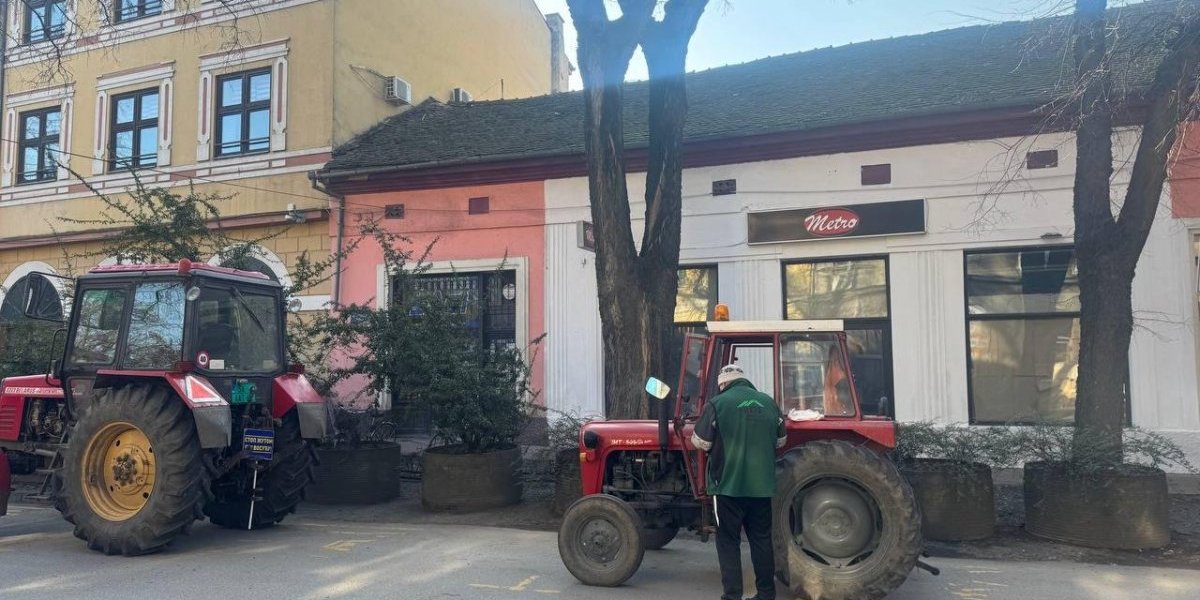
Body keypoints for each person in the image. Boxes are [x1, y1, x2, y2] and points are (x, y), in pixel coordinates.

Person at [692, 364, 786, 600]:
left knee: (728, 542)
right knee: (761, 540)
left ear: (723, 384)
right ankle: (766, 594)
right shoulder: (769, 403)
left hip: (728, 487)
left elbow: (700, 442)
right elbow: (780, 441)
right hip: (761, 487)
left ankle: (732, 595)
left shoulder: (717, 404)